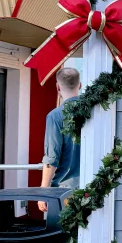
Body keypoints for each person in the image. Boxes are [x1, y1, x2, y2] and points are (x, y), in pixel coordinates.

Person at [38, 66, 82, 212]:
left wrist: (44, 190)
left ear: (57, 87)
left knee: (65, 233)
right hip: (94, 187)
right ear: (80, 85)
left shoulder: (55, 116)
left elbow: (52, 157)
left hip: (65, 191)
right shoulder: (95, 111)